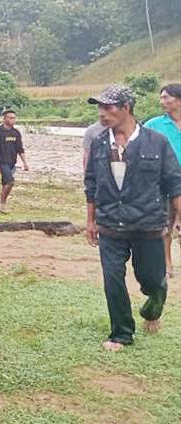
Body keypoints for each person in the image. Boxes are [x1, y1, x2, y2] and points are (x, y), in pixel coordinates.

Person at [84, 85, 181, 351]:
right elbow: (91, 183)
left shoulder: (156, 142)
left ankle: (154, 306)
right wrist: (91, 220)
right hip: (110, 223)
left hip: (148, 224)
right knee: (112, 277)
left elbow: (174, 182)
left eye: (108, 107)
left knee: (152, 280)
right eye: (99, 108)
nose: (102, 113)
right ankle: (121, 333)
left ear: (126, 107)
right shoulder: (99, 142)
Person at [144, 83, 181, 277]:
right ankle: (167, 264)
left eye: (166, 97)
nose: (162, 102)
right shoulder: (154, 124)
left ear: (178, 99)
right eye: (161, 98)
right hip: (163, 183)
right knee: (165, 224)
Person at [0, 110, 29, 214]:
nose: (12, 120)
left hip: (12, 162)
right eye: (10, 118)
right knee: (10, 182)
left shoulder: (16, 133)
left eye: (14, 118)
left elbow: (20, 149)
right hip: (2, 162)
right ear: (4, 119)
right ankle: (3, 204)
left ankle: (2, 205)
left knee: (5, 183)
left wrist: (25, 162)